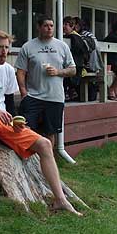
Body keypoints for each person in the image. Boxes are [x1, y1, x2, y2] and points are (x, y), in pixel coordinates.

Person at [0, 30, 81, 215]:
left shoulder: (8, 70)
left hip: (3, 122)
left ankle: (60, 199)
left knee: (44, 143)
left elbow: (10, 105)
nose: (4, 52)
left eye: (7, 48)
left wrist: (17, 121)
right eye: (0, 47)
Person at [15, 15, 76, 144]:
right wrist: (23, 92)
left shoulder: (62, 46)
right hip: (33, 96)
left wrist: (58, 72)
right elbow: (20, 71)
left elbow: (73, 69)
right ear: (38, 27)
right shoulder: (28, 46)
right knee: (26, 130)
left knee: (50, 133)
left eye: (51, 26)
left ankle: (48, 162)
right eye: (46, 25)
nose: (49, 28)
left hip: (55, 97)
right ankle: (30, 162)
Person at [63, 16, 89, 101]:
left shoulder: (75, 37)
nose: (63, 26)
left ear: (72, 26)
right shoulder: (67, 37)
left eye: (66, 24)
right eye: (63, 24)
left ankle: (68, 92)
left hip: (76, 66)